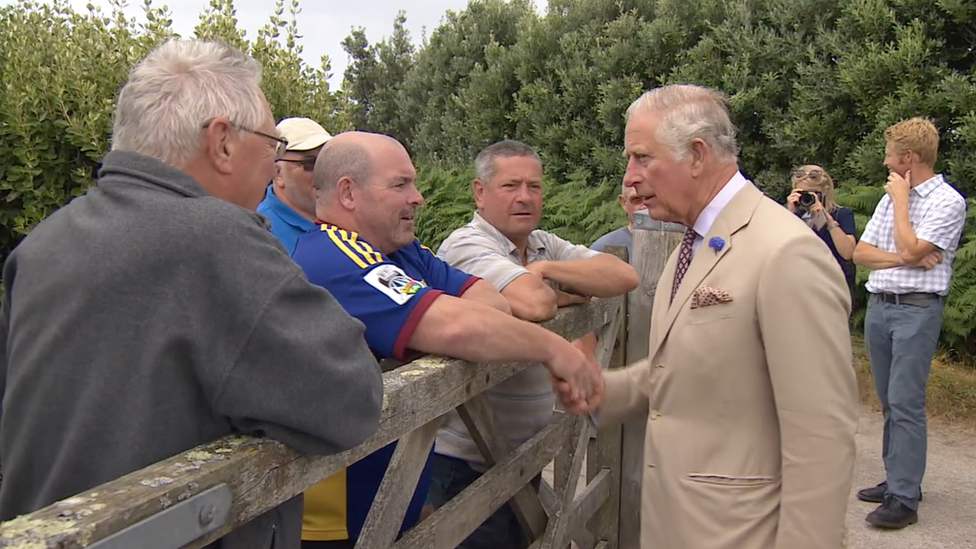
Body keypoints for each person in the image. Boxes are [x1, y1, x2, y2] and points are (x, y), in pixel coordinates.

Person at [0, 39, 384, 549]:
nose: (273, 165)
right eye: (272, 145)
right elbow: (353, 400)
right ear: (223, 141)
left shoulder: (44, 242)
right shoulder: (217, 236)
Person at [565, 84, 859, 549]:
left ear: (697, 155)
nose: (629, 177)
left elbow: (822, 436)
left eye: (642, 157)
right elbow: (691, 366)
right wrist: (604, 390)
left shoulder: (785, 252)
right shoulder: (696, 241)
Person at [289, 131, 602, 549]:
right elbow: (457, 326)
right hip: (337, 518)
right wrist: (555, 348)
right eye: (400, 184)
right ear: (348, 192)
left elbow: (492, 304)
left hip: (390, 494)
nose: (417, 197)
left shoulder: (402, 252)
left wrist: (438, 320)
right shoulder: (333, 257)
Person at [431, 139, 637, 549]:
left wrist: (543, 268)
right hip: (464, 461)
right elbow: (535, 300)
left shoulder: (542, 245)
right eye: (510, 186)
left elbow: (622, 274)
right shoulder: (467, 245)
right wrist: (564, 291)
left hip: (520, 459)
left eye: (534, 186)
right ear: (479, 192)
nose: (525, 196)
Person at [852, 117, 967, 529]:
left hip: (917, 309)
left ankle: (904, 498)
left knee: (906, 402)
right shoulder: (888, 198)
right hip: (882, 305)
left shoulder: (947, 201)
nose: (885, 163)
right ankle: (898, 479)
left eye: (888, 155)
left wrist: (903, 208)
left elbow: (911, 244)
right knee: (887, 401)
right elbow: (863, 253)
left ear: (909, 158)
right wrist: (906, 258)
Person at [257, 116, 331, 254]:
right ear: (277, 173)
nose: (323, 172)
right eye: (310, 164)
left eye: (327, 161)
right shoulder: (261, 232)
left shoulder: (343, 218)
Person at [786, 165, 858, 292]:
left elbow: (848, 253)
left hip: (833, 284)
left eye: (812, 193)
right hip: (801, 283)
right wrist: (790, 213)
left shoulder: (841, 214)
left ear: (824, 190)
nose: (806, 197)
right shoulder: (794, 217)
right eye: (801, 193)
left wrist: (827, 218)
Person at [590, 182, 649, 257]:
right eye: (636, 199)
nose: (644, 206)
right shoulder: (601, 250)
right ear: (624, 203)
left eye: (649, 198)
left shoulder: (667, 244)